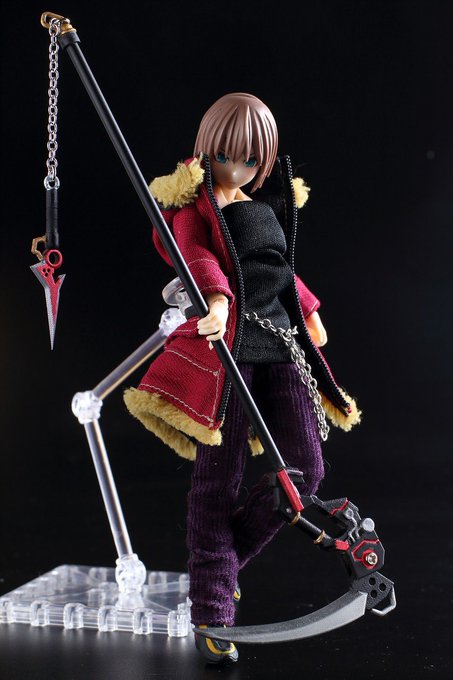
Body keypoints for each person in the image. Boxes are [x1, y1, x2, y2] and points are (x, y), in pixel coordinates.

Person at [124, 93, 360, 664]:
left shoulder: (268, 206)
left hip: (281, 346)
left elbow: (279, 269)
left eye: (251, 160)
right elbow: (195, 255)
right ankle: (212, 610)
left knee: (304, 471)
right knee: (216, 482)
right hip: (226, 352)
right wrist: (217, 299)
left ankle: (221, 565)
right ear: (208, 150)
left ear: (265, 160)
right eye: (226, 156)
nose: (238, 169)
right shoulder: (195, 206)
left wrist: (308, 310)